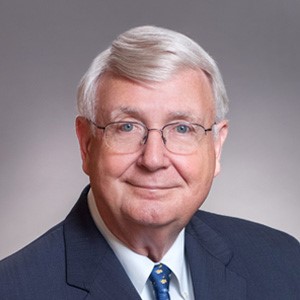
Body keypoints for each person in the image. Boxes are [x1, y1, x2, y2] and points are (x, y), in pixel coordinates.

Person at [0, 25, 299, 300]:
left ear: (216, 147)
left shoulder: (283, 263)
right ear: (87, 144)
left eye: (182, 128)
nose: (153, 159)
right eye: (127, 127)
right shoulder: (14, 289)